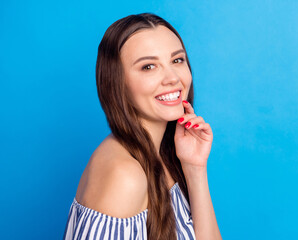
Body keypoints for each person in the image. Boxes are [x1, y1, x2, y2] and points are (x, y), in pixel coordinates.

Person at [63, 13, 222, 240]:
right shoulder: (124, 176)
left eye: (177, 60)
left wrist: (195, 168)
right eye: (149, 66)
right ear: (116, 82)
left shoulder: (164, 152)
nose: (172, 78)